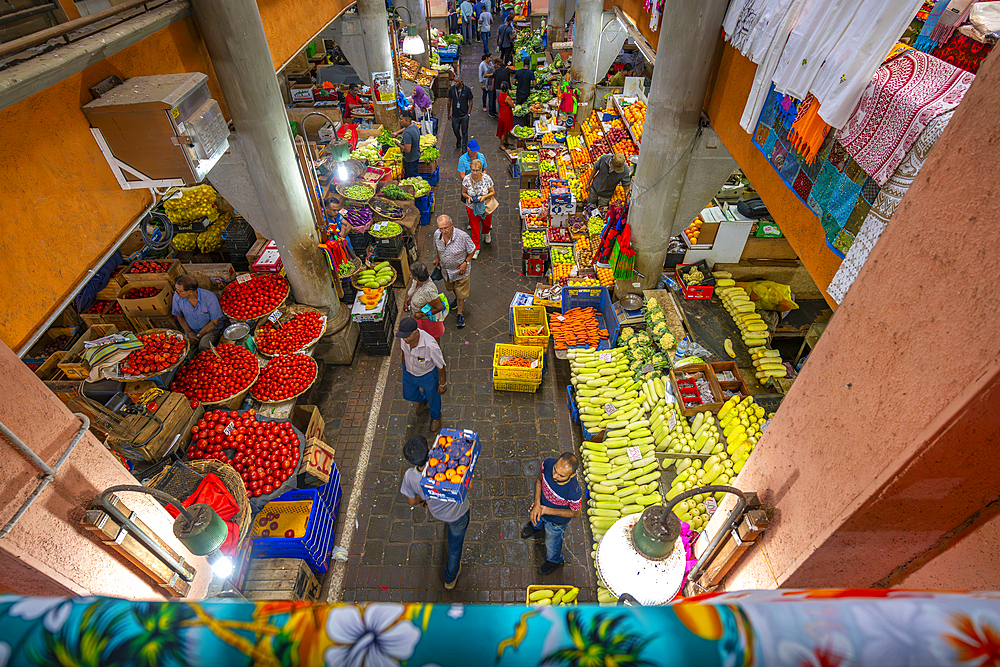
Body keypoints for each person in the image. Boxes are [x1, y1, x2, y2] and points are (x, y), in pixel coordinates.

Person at [400, 434, 470, 589]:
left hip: (437, 511)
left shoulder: (410, 476)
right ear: (430, 450)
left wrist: (422, 501)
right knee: (454, 547)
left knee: (450, 531)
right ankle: (450, 579)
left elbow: (412, 501)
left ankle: (450, 579)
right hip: (459, 513)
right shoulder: (448, 467)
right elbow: (468, 488)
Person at [521, 453, 581, 576]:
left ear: (572, 475)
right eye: (555, 470)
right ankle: (535, 528)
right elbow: (539, 481)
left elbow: (575, 513)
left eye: (561, 475)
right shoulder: (548, 464)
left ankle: (555, 561)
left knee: (552, 544)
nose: (554, 476)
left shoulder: (574, 491)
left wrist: (546, 510)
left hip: (556, 523)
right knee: (536, 520)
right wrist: (537, 504)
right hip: (540, 509)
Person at [396, 317, 447, 432]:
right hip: (409, 373)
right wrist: (404, 366)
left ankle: (436, 417)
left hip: (427, 375)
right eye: (403, 336)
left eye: (407, 336)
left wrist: (443, 384)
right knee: (408, 395)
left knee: (434, 397)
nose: (404, 339)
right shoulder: (405, 339)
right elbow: (404, 352)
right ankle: (424, 399)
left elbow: (440, 365)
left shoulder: (430, 345)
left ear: (416, 332)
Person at [433, 215, 475, 329]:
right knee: (452, 289)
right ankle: (457, 299)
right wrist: (438, 258)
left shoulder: (462, 237)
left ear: (452, 225)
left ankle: (460, 313)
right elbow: (438, 248)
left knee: (461, 293)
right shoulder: (437, 235)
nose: (443, 231)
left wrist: (465, 263)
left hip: (461, 272)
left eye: (445, 228)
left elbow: (472, 250)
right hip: (446, 271)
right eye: (441, 228)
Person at [171, 276, 224, 350]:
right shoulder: (177, 297)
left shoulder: (209, 297)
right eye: (176, 289)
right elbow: (179, 316)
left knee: (203, 345)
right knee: (186, 348)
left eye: (179, 291)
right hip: (192, 329)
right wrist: (189, 332)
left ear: (190, 291)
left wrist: (199, 335)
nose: (176, 292)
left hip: (211, 329)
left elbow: (214, 322)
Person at [403, 261, 447, 342]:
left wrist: (422, 314)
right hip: (418, 319)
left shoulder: (428, 291)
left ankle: (436, 353)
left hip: (428, 321)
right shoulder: (416, 281)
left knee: (433, 339)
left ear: (415, 277)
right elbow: (414, 292)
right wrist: (408, 300)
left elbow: (439, 307)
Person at [462, 159, 495, 257]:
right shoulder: (467, 179)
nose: (475, 172)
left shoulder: (487, 178)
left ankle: (486, 232)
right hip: (472, 208)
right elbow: (463, 193)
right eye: (473, 170)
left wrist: (484, 197)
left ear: (481, 170)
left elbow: (492, 192)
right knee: (474, 228)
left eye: (477, 170)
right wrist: (468, 197)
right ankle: (476, 247)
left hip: (485, 206)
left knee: (487, 223)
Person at [447, 77, 474, 150]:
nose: (455, 83)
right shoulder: (452, 89)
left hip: (464, 114)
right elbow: (449, 101)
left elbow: (470, 101)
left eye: (456, 81)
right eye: (454, 81)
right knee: (455, 129)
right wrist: (448, 113)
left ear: (461, 82)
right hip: (455, 115)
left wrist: (468, 113)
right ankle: (459, 139)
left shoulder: (467, 90)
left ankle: (464, 146)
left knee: (464, 131)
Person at [396, 112, 421, 178]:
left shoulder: (407, 133)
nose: (400, 121)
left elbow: (407, 149)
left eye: (401, 119)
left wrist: (398, 144)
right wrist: (397, 132)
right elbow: (406, 128)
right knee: (415, 174)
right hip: (416, 155)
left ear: (406, 120)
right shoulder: (414, 126)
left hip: (410, 160)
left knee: (412, 177)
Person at [496, 81, 516, 148]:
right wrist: (512, 102)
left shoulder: (500, 94)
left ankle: (506, 141)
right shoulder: (507, 97)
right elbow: (512, 105)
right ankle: (501, 144)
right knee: (504, 131)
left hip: (501, 113)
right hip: (506, 115)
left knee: (506, 129)